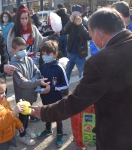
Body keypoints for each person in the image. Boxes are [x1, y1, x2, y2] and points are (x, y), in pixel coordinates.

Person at [30, 8, 132, 150]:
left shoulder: (100, 61)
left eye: (90, 33)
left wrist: (43, 112)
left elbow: (76, 101)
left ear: (98, 34)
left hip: (117, 135)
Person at [10, 37, 50, 145]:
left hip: (31, 94)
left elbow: (37, 73)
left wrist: (31, 81)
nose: (23, 51)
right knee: (23, 116)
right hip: (22, 97)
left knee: (27, 115)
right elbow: (21, 83)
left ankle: (25, 128)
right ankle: (22, 135)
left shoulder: (28, 59)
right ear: (14, 51)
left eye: (24, 48)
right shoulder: (14, 64)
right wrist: (36, 82)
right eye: (20, 49)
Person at [37, 40, 69, 148]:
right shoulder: (43, 66)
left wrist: (52, 88)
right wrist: (39, 87)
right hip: (44, 96)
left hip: (56, 97)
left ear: (55, 54)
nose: (45, 56)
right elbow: (41, 80)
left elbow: (66, 85)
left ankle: (59, 134)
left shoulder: (59, 68)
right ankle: (48, 129)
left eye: (48, 54)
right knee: (46, 112)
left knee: (57, 115)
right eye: (43, 54)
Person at [63, 5, 91, 81]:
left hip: (80, 54)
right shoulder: (71, 22)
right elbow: (64, 32)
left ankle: (82, 91)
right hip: (70, 53)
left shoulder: (85, 21)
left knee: (82, 75)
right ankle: (65, 89)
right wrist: (70, 22)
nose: (76, 16)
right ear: (71, 13)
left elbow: (89, 36)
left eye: (77, 14)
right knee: (66, 73)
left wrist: (80, 25)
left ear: (81, 14)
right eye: (74, 14)